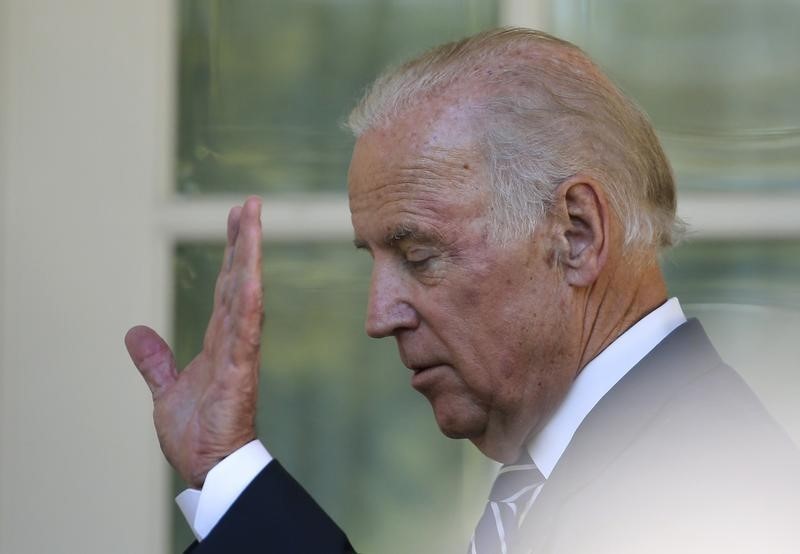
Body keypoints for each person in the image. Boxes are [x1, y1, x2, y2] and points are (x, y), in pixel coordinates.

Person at [125, 28, 800, 553]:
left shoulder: (697, 487)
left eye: (419, 255)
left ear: (576, 235)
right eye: (375, 258)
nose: (377, 316)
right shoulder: (634, 450)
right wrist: (226, 471)